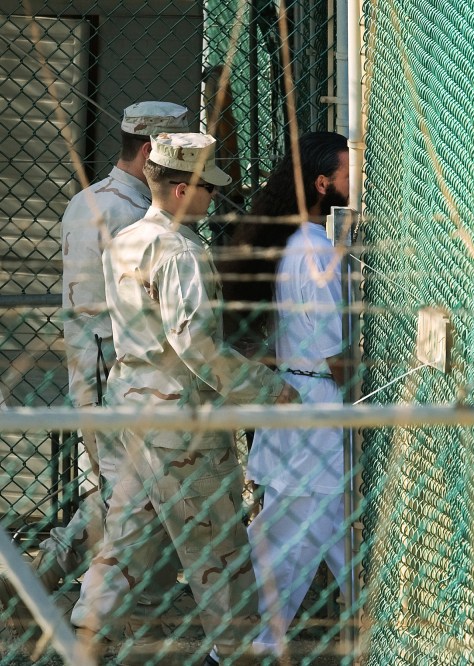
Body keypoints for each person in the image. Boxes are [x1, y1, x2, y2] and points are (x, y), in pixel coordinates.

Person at [69, 132, 298, 665]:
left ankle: (88, 635)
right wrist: (269, 391)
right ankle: (240, 651)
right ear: (179, 190)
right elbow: (195, 343)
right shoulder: (180, 252)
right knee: (219, 548)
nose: (213, 197)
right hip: (181, 423)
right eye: (206, 188)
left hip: (133, 413)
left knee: (128, 535)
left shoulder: (127, 239)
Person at [0, 101, 189, 628]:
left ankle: (47, 581)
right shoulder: (130, 214)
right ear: (152, 151)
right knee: (126, 491)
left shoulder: (84, 202)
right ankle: (70, 595)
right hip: (120, 372)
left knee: (115, 489)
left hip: (92, 367)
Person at [223, 131, 351, 660]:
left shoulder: (290, 241)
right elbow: (332, 348)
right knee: (299, 526)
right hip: (314, 398)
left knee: (318, 518)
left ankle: (357, 616)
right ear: (323, 184)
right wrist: (358, 374)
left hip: (297, 393)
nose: (353, 181)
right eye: (346, 173)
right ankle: (254, 639)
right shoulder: (314, 249)